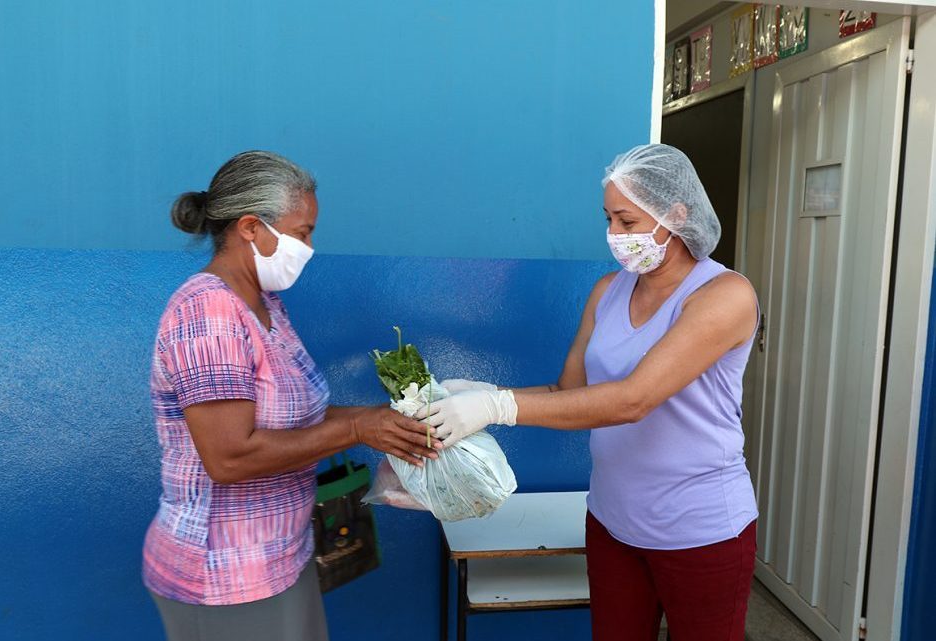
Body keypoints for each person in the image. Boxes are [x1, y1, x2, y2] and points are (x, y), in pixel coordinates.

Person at [420, 144, 758, 641]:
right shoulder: (609, 291)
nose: (614, 236)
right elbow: (566, 390)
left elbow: (632, 400)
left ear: (676, 214)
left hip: (699, 529)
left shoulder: (724, 296)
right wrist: (485, 392)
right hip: (612, 522)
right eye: (609, 220)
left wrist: (495, 407)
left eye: (626, 221)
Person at [142, 150, 441, 641]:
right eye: (302, 232)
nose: (309, 246)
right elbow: (230, 457)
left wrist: (384, 420)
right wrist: (356, 428)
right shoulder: (207, 313)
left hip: (282, 556)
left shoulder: (265, 306)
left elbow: (300, 413)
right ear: (250, 228)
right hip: (224, 575)